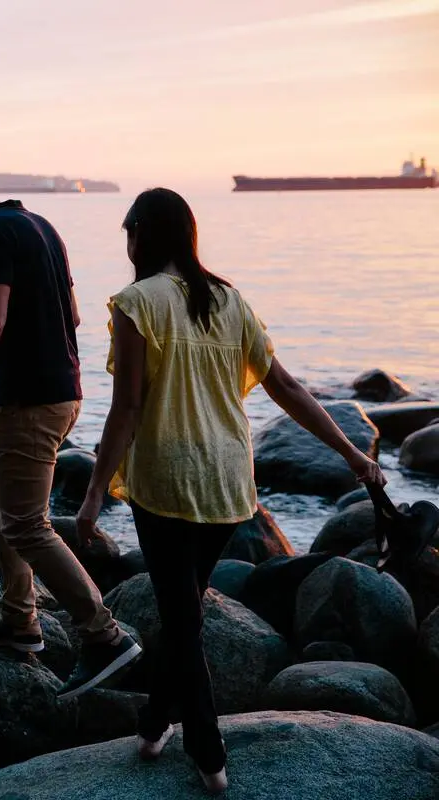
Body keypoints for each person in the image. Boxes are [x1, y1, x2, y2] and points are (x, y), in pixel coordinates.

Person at [75, 187, 386, 795]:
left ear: (143, 233)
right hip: (226, 481)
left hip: (167, 481)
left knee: (183, 617)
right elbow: (287, 387)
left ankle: (208, 750)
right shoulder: (230, 300)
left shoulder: (138, 303)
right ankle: (154, 722)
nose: (127, 243)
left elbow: (129, 406)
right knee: (184, 609)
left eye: (127, 231)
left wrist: (91, 495)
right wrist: (351, 453)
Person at [0, 162, 142, 699]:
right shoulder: (42, 226)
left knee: (25, 524)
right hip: (62, 390)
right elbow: (74, 315)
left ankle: (105, 637)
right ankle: (20, 622)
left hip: (32, 399)